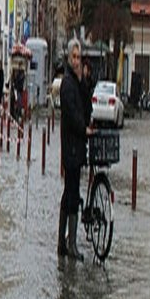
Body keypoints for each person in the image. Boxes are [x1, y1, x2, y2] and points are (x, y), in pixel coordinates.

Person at [58, 39, 94, 261]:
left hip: (76, 147)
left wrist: (84, 81)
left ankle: (63, 242)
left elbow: (86, 106)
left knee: (69, 193)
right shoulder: (66, 84)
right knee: (72, 194)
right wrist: (84, 130)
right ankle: (70, 245)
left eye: (79, 57)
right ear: (68, 58)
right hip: (71, 146)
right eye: (74, 57)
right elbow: (72, 115)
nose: (77, 61)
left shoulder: (77, 83)